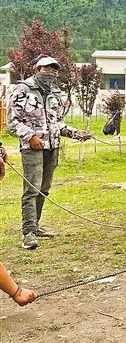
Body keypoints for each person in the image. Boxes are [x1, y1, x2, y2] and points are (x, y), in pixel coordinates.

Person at [7, 56, 92, 249]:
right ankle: (28, 233)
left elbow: (57, 123)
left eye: (54, 70)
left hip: (52, 147)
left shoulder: (55, 92)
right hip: (32, 149)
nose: (51, 73)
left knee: (44, 189)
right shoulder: (22, 89)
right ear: (37, 69)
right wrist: (30, 136)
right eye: (47, 69)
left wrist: (74, 133)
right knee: (32, 190)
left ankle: (35, 225)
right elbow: (12, 121)